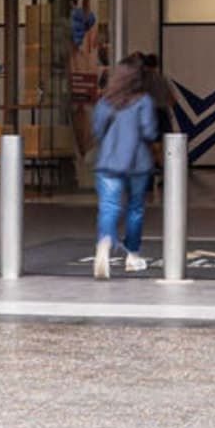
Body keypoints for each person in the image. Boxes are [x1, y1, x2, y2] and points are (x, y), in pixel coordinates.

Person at [92, 54, 158, 279]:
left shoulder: (105, 102)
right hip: (137, 163)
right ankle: (132, 255)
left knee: (109, 206)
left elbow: (97, 131)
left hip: (109, 162)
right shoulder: (144, 101)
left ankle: (104, 243)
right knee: (135, 208)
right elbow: (149, 132)